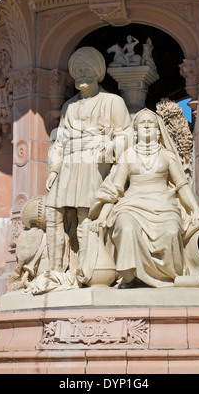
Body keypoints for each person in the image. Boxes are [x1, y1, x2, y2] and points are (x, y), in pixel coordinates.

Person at [87, 108, 199, 288]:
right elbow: (116, 190)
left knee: (171, 231)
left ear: (158, 130)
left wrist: (194, 210)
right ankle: (130, 277)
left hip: (164, 206)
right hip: (131, 205)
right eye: (142, 123)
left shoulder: (167, 156)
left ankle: (168, 277)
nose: (146, 126)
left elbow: (182, 186)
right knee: (126, 227)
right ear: (135, 130)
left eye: (150, 123)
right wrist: (102, 216)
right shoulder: (128, 155)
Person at [45, 47, 131, 272]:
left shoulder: (112, 102)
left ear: (97, 73)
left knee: (86, 214)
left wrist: (109, 150)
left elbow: (127, 134)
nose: (82, 74)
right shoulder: (68, 106)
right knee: (52, 211)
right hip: (69, 165)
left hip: (95, 163)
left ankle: (87, 267)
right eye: (78, 70)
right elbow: (59, 140)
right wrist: (54, 169)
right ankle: (54, 272)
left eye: (87, 70)